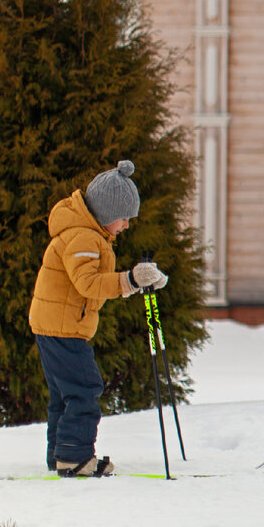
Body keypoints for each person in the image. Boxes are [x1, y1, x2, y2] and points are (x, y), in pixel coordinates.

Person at [28, 160, 167, 478]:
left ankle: (61, 455)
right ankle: (75, 459)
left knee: (66, 393)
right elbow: (88, 283)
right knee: (84, 388)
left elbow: (97, 281)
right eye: (124, 218)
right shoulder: (83, 238)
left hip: (57, 324)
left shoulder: (89, 235)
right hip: (62, 327)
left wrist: (138, 280)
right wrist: (131, 280)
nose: (126, 226)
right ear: (106, 214)